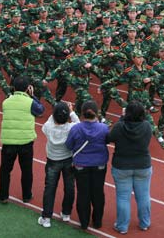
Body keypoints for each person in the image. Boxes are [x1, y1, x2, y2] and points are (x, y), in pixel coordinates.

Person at [107, 103, 153, 234]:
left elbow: (109, 138)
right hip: (143, 165)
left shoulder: (119, 126)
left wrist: (122, 118)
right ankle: (145, 223)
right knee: (143, 195)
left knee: (123, 197)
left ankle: (122, 226)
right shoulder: (146, 126)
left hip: (122, 166)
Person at [0, 76, 45, 204]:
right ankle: (26, 196)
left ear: (13, 87)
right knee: (26, 170)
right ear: (27, 88)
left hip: (8, 141)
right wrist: (33, 96)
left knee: (5, 170)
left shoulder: (6, 102)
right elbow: (40, 110)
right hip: (25, 142)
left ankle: (3, 196)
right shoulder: (30, 102)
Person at [65, 100, 109, 230]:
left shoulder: (76, 128)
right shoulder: (104, 128)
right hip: (99, 165)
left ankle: (84, 222)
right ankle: (97, 222)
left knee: (83, 193)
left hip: (81, 166)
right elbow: (107, 140)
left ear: (82, 113)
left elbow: (68, 145)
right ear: (96, 113)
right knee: (98, 192)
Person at [38, 101, 80, 228]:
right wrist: (71, 111)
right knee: (69, 187)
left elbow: (51, 119)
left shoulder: (48, 126)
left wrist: (57, 110)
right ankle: (66, 213)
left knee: (50, 188)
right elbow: (78, 123)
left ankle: (46, 218)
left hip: (52, 161)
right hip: (68, 160)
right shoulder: (71, 128)